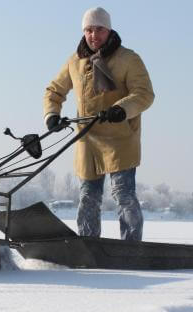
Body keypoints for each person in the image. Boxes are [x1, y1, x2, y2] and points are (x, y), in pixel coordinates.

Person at [43, 7, 154, 241]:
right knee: (87, 197)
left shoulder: (128, 59)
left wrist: (121, 109)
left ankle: (131, 246)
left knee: (123, 195)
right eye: (89, 30)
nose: (94, 35)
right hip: (87, 141)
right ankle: (88, 244)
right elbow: (54, 91)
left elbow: (144, 94)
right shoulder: (75, 61)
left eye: (99, 30)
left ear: (109, 30)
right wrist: (52, 115)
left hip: (120, 138)